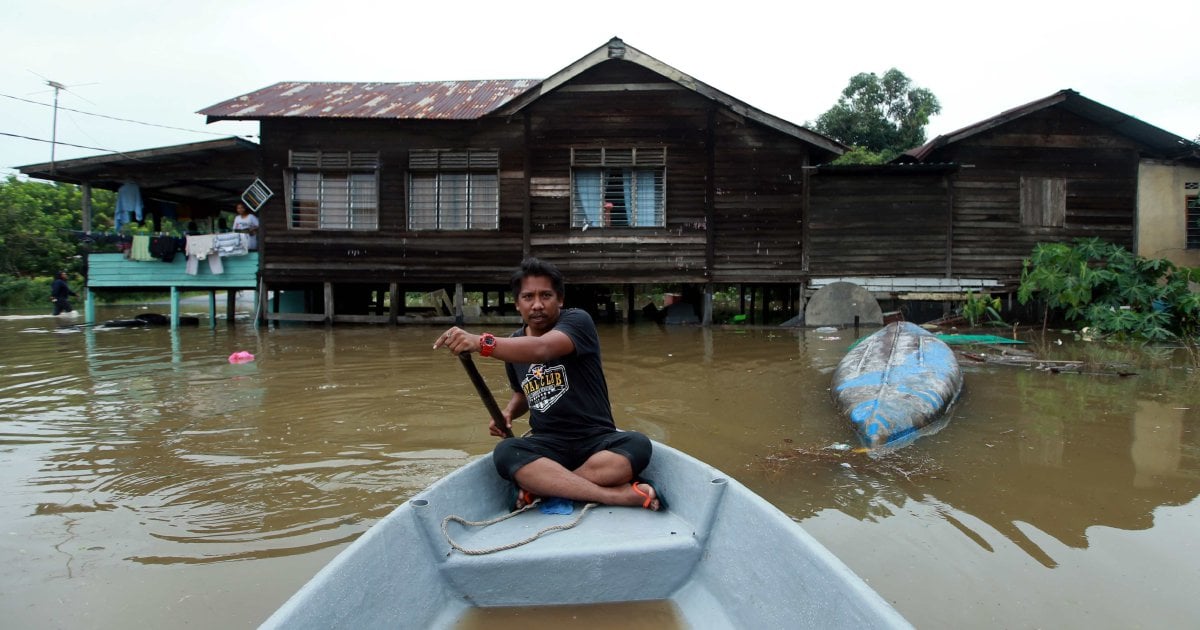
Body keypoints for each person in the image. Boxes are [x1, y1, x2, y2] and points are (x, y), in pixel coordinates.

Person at [433, 257, 663, 511]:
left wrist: (482, 343)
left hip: (596, 439)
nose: (537, 305)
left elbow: (542, 349)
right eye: (528, 297)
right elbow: (523, 392)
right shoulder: (514, 345)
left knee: (638, 445)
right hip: (548, 444)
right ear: (517, 304)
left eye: (546, 296)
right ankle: (614, 496)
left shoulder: (578, 322)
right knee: (507, 453)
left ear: (560, 299)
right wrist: (508, 413)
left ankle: (545, 486)